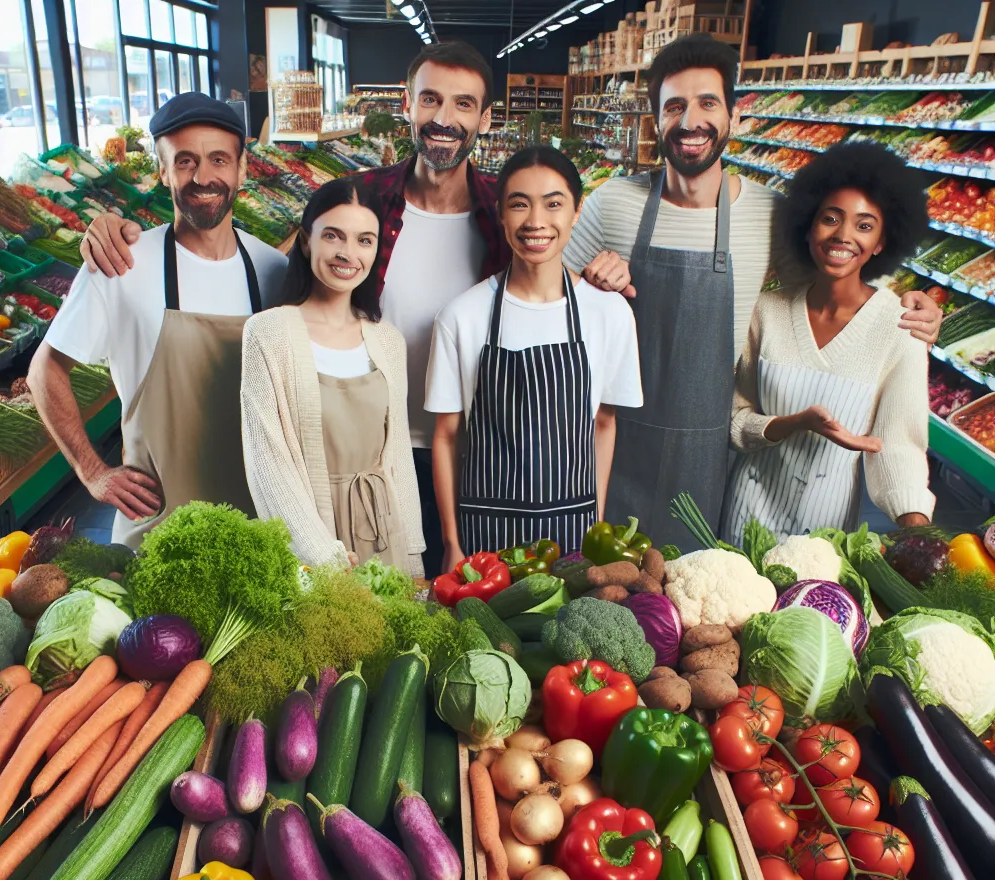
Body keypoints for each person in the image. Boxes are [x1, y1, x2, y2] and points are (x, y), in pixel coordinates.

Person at [77, 43, 629, 574]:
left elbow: (543, 269)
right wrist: (120, 228)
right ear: (408, 106)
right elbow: (302, 279)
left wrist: (599, 273)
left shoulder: (502, 208)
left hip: (470, 454)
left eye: (463, 103)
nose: (444, 117)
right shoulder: (362, 199)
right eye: (430, 99)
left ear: (485, 118)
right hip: (353, 453)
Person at [562, 35, 943, 552]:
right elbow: (543, 295)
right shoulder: (613, 204)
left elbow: (827, 278)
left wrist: (905, 307)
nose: (691, 120)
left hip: (714, 443)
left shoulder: (767, 214)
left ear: (734, 117)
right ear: (656, 120)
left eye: (707, 103)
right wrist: (586, 281)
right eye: (674, 106)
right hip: (613, 435)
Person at [28, 93, 287, 547]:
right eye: (184, 161)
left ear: (242, 169)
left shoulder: (274, 271)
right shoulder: (122, 266)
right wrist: (93, 473)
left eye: (218, 160)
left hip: (261, 526)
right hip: (156, 530)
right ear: (162, 171)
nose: (203, 177)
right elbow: (44, 371)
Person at [427, 146, 643, 568]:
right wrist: (452, 542)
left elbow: (604, 424)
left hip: (574, 536)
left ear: (577, 212)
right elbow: (446, 437)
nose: (536, 222)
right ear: (501, 214)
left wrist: (594, 521)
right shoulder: (461, 316)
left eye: (554, 204)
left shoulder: (610, 312)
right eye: (519, 204)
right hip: (484, 539)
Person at [721, 143, 934, 543]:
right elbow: (736, 420)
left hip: (827, 531)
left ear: (883, 242)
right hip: (746, 514)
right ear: (808, 225)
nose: (843, 236)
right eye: (830, 218)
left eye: (864, 225)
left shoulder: (900, 328)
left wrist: (917, 531)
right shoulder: (766, 311)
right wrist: (794, 423)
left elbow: (899, 446)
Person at [240, 178, 425, 574]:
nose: (348, 253)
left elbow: (399, 459)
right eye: (333, 236)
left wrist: (413, 556)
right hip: (315, 546)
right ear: (307, 242)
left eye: (364, 240)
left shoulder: (388, 341)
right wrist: (323, 555)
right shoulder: (267, 334)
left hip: (384, 532)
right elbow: (267, 464)